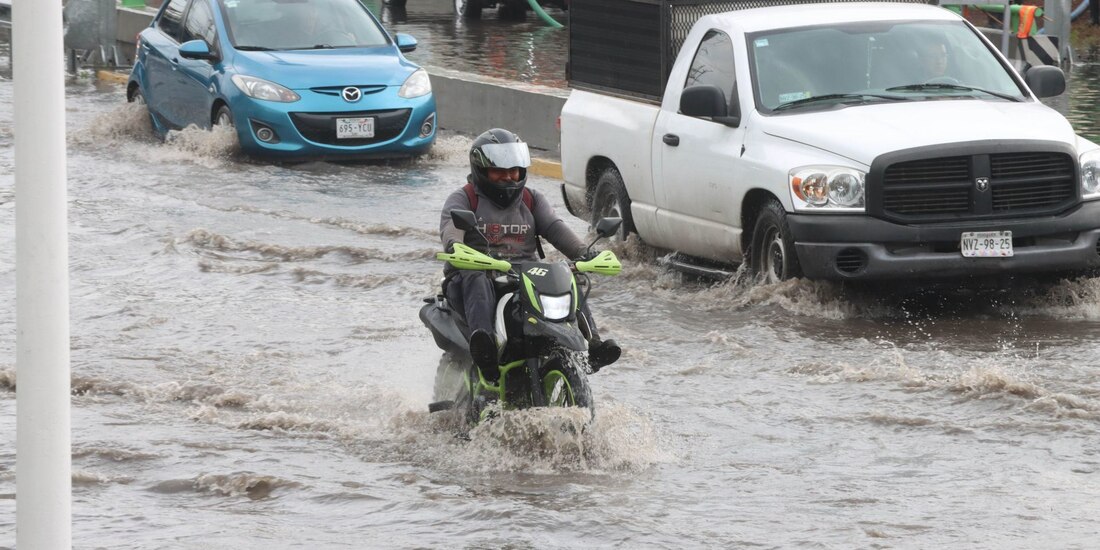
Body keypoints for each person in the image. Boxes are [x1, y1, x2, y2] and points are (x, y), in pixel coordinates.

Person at [439, 128, 621, 381]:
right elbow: (451, 231)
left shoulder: (531, 199)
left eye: (513, 171)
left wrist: (585, 254)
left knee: (568, 276)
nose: (508, 178)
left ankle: (592, 344)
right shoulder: (463, 199)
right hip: (476, 275)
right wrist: (456, 248)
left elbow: (556, 229)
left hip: (523, 276)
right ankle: (485, 346)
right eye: (499, 172)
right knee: (475, 276)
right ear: (481, 170)